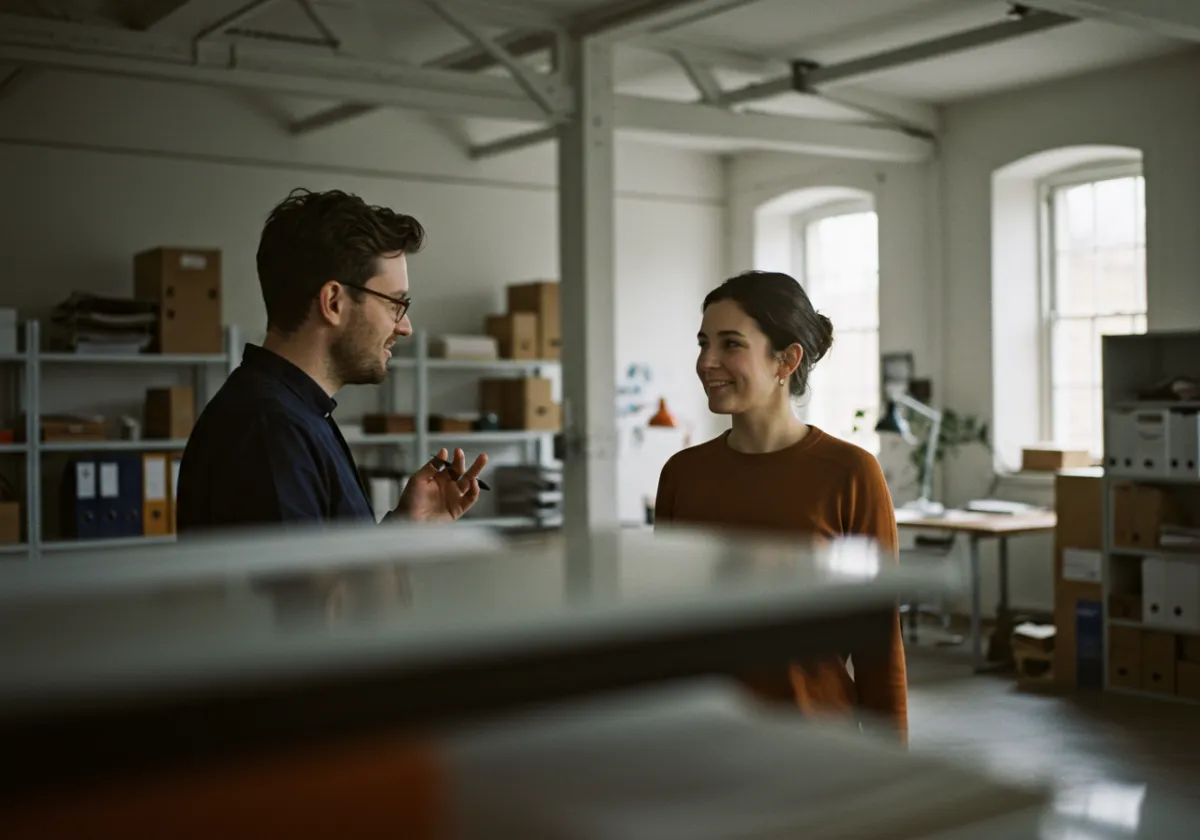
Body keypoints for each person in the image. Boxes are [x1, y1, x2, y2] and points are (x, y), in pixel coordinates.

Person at [653, 269, 908, 740]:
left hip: (815, 743)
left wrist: (888, 772)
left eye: (730, 344)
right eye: (702, 342)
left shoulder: (851, 473)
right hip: (702, 741)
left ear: (786, 361)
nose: (706, 361)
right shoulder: (681, 474)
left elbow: (879, 646)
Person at [176, 188, 487, 533]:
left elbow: (336, 574)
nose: (405, 327)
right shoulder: (271, 431)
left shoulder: (296, 414)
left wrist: (405, 527)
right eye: (394, 304)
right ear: (334, 302)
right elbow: (307, 588)